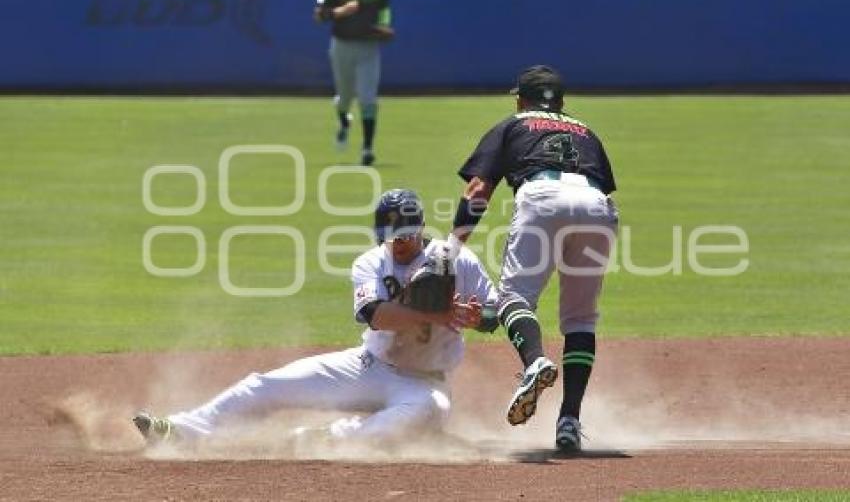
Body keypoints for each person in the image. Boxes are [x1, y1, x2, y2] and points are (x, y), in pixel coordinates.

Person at [133, 189, 496, 447]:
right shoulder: (370, 262)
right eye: (389, 237)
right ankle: (182, 430)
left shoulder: (456, 260)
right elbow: (375, 316)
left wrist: (478, 318)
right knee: (264, 385)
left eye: (403, 236)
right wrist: (437, 313)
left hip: (423, 383)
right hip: (368, 366)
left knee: (419, 416)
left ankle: (324, 439)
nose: (396, 243)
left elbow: (495, 313)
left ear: (419, 229)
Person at [445, 65, 619, 453]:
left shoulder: (515, 123)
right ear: (561, 102)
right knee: (580, 317)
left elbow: (477, 189)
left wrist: (453, 247)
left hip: (542, 198)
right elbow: (598, 185)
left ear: (521, 99)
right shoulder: (586, 130)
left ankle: (534, 362)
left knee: (514, 299)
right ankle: (570, 421)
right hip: (598, 206)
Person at [313, 0, 394, 166]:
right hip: (342, 46)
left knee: (368, 97)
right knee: (345, 96)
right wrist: (340, 11)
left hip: (368, 47)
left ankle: (367, 148)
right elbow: (319, 15)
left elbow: (385, 11)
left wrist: (384, 26)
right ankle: (344, 122)